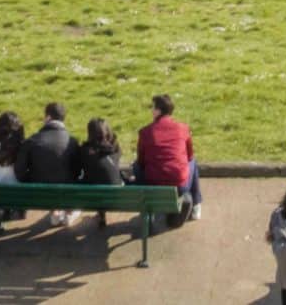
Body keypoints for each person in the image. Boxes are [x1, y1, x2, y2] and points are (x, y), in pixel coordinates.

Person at [135, 94, 200, 225]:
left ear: (158, 111)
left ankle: (150, 206)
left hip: (153, 185)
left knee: (136, 166)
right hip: (180, 185)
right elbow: (190, 155)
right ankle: (197, 204)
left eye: (153, 107)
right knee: (193, 162)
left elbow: (141, 161)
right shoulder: (183, 128)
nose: (151, 110)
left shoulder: (145, 132)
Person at [75, 118, 123, 188]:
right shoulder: (116, 150)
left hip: (94, 196)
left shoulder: (86, 152)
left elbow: (76, 171)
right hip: (116, 195)